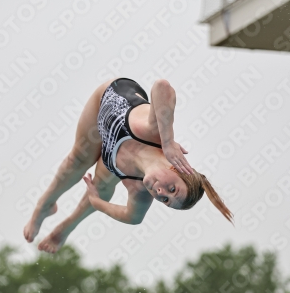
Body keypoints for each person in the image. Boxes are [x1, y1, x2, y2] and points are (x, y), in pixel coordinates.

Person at [24, 77, 233, 253]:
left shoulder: (140, 190)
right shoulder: (156, 134)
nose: (161, 192)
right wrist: (168, 141)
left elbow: (133, 217)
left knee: (101, 189)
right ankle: (44, 206)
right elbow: (163, 86)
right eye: (172, 189)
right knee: (79, 160)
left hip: (113, 158)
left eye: (165, 200)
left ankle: (66, 226)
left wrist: (99, 205)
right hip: (106, 102)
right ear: (177, 168)